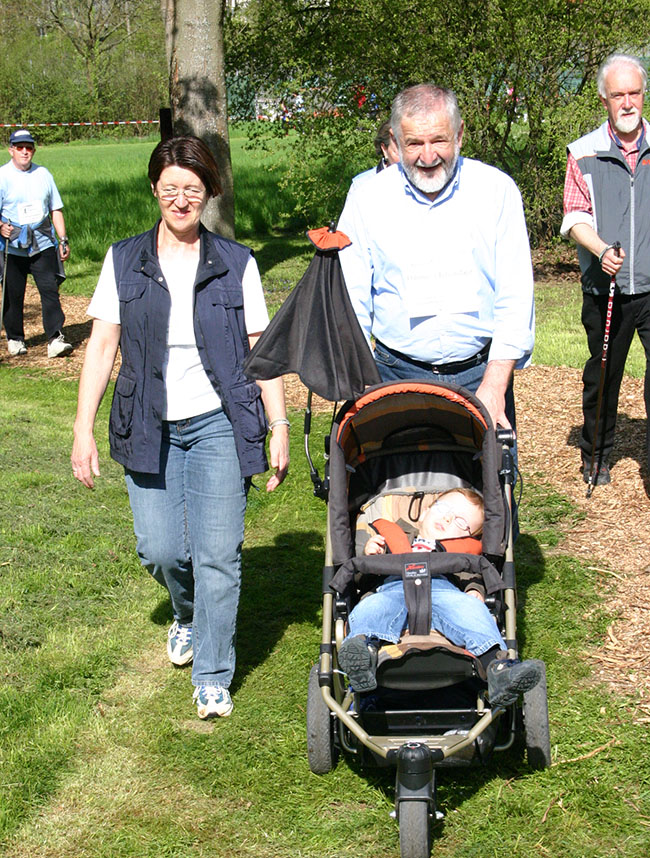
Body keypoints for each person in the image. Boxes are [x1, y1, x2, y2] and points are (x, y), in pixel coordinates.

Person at [71, 136, 289, 721]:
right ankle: (188, 613)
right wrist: (82, 429)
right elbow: (102, 348)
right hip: (147, 421)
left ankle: (212, 673)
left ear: (209, 192)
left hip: (219, 422)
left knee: (218, 555)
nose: (181, 198)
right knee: (161, 549)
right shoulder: (124, 260)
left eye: (193, 188)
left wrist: (278, 423)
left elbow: (260, 350)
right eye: (170, 188)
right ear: (154, 189)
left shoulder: (236, 263)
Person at [337, 84, 535, 432]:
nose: (428, 157)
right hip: (394, 376)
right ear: (395, 141)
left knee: (489, 470)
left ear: (459, 135)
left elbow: (516, 296)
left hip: (480, 377)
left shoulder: (496, 191)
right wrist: (364, 383)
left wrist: (495, 385)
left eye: (439, 140)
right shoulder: (367, 197)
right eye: (414, 143)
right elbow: (350, 300)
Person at [337, 488, 541, 707]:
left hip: (444, 593)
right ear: (424, 512)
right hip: (393, 589)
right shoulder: (391, 536)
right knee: (374, 606)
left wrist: (474, 590)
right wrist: (370, 554)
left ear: (468, 537)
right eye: (444, 509)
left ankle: (497, 667)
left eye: (461, 522)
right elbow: (360, 579)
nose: (448, 519)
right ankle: (362, 651)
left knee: (470, 609)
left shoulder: (461, 555)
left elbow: (473, 576)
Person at [561, 53, 650, 486]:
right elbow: (574, 217)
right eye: (618, 95)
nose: (628, 102)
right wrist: (600, 250)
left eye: (635, 93)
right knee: (602, 376)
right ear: (604, 100)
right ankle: (596, 454)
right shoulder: (583, 152)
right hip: (606, 287)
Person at [0, 129, 72, 358]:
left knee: (50, 290)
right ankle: (15, 338)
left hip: (42, 243)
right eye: (20, 147)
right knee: (13, 294)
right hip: (12, 246)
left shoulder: (44, 174)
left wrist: (63, 239)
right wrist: (1, 227)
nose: (25, 151)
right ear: (11, 150)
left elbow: (55, 209)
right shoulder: (2, 176)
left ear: (33, 150)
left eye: (29, 147)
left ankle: (55, 338)